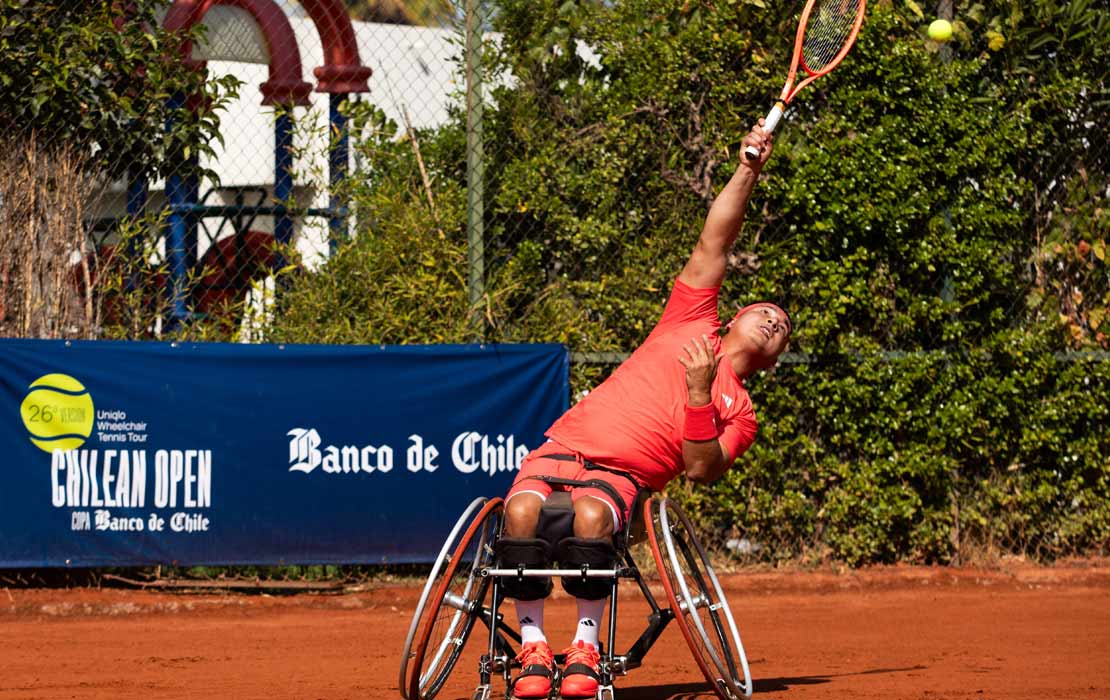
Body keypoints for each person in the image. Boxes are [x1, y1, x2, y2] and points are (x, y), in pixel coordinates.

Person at [495, 121, 790, 699]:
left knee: (591, 520)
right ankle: (531, 647)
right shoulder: (691, 319)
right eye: (765, 312)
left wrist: (702, 393)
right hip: (561, 449)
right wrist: (748, 168)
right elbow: (716, 243)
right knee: (522, 508)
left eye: (782, 328)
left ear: (774, 361)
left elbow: (702, 470)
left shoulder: (743, 412)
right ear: (732, 319)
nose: (775, 320)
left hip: (619, 480)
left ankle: (584, 647)